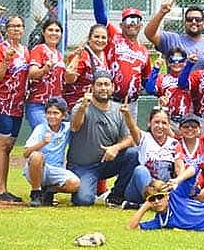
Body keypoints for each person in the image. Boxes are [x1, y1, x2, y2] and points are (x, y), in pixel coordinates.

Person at [66, 70, 138, 207]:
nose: (103, 88)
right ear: (92, 88)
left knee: (133, 154)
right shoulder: (81, 106)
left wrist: (115, 148)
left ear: (113, 87)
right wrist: (82, 108)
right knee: (84, 200)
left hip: (106, 163)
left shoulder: (119, 110)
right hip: (83, 166)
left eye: (107, 84)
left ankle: (116, 195)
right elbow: (75, 127)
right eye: (99, 85)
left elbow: (130, 138)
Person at [91, 0, 150, 118]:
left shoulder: (144, 51)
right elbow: (101, 17)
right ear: (121, 24)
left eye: (136, 21)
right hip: (110, 100)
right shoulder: (114, 36)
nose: (132, 24)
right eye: (128, 21)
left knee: (128, 139)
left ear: (141, 25)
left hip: (131, 104)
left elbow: (147, 80)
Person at [0, 15, 28, 202]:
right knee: (1, 144)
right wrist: (6, 60)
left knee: (9, 147)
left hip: (16, 105)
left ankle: (3, 188)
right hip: (0, 102)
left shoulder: (25, 51)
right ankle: (0, 189)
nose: (16, 29)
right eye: (13, 26)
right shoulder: (0, 49)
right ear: (7, 29)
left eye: (20, 26)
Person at [121, 103, 193, 206]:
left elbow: (179, 167)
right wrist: (127, 114)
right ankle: (155, 201)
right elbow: (132, 128)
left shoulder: (174, 143)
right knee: (140, 170)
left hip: (164, 188)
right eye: (156, 122)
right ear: (149, 123)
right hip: (138, 190)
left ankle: (148, 204)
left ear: (168, 126)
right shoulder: (144, 138)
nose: (160, 126)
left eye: (164, 123)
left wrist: (177, 182)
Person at [22, 97, 80, 206]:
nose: (51, 116)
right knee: (36, 156)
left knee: (75, 184)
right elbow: (26, 153)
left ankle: (48, 192)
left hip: (56, 170)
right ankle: (36, 193)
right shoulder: (40, 129)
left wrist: (84, 104)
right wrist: (43, 143)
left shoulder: (67, 128)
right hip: (38, 169)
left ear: (63, 115)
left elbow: (77, 124)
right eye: (48, 113)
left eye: (56, 113)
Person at [146, 0, 204, 69]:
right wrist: (161, 12)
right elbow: (149, 34)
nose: (194, 22)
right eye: (189, 19)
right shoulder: (172, 40)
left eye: (198, 19)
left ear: (203, 23)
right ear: (184, 23)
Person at [26, 19, 65, 130]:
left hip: (55, 106)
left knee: (50, 140)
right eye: (50, 30)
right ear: (43, 32)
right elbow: (32, 73)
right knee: (44, 134)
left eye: (57, 31)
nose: (54, 33)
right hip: (38, 104)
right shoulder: (39, 49)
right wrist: (44, 69)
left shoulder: (59, 54)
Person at [64, 25, 110, 110]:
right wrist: (69, 73)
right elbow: (69, 79)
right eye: (96, 37)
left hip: (94, 106)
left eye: (103, 37)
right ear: (89, 39)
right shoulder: (82, 55)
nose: (100, 40)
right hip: (76, 105)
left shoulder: (104, 56)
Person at [145, 47, 193, 125]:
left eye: (180, 61)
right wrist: (156, 69)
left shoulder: (192, 78)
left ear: (185, 62)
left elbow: (183, 83)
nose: (176, 63)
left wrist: (189, 64)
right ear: (168, 63)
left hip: (188, 120)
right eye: (172, 61)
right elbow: (150, 90)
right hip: (168, 120)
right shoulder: (162, 78)